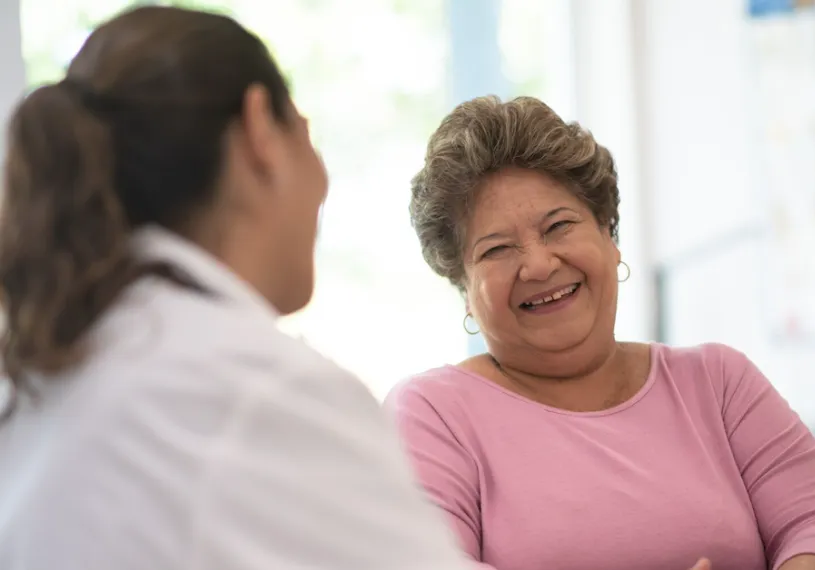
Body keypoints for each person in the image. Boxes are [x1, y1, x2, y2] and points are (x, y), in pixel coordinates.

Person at [0, 6, 468, 570]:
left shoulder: (52, 364)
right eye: (306, 132)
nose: (322, 180)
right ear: (259, 132)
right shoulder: (254, 390)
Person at [386, 95, 815, 570]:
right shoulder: (433, 414)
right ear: (465, 290)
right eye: (496, 250)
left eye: (558, 226)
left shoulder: (720, 383)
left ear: (608, 238)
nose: (537, 264)